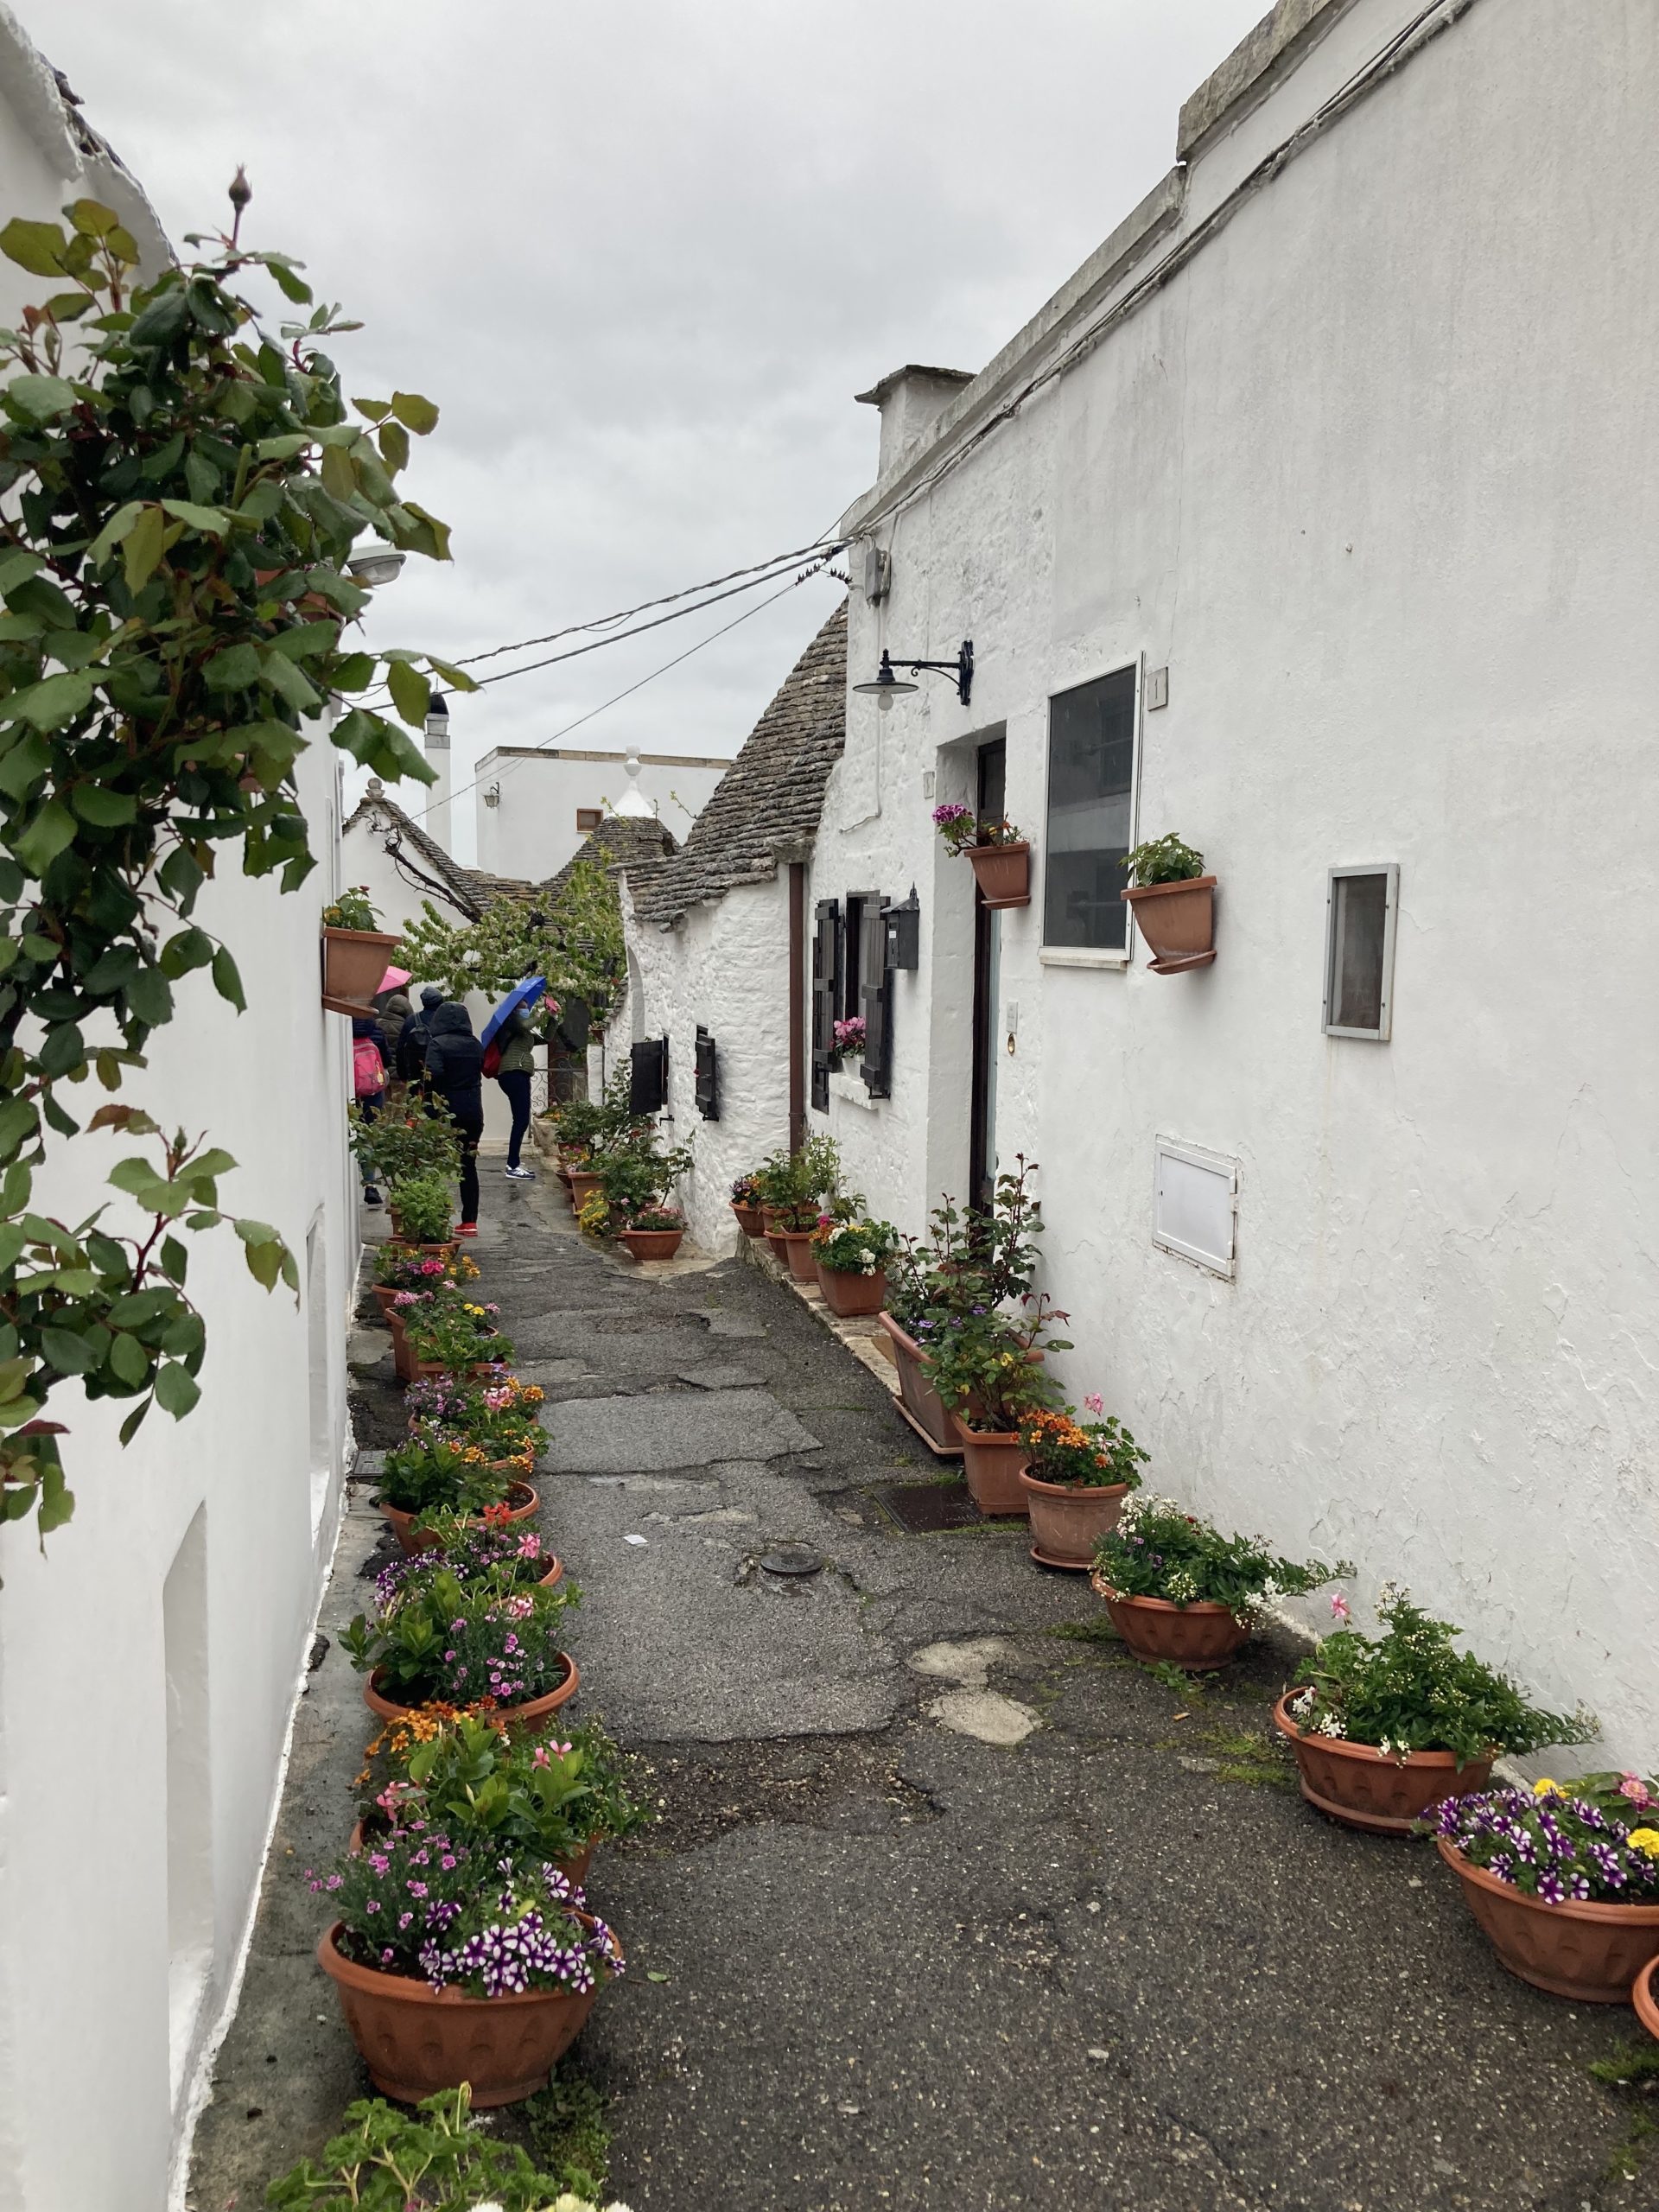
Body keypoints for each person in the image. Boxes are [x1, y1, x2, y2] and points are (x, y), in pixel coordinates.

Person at [423, 1001, 484, 1236]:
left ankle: (435, 1219)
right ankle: (469, 1221)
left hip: (445, 1112)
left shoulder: (437, 1044)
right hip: (473, 1113)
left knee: (435, 1163)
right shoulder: (475, 1045)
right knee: (468, 1165)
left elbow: (433, 1075)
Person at [494, 1005, 537, 1180]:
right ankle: (512, 1165)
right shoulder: (511, 1024)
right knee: (520, 1120)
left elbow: (547, 1038)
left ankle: (514, 1163)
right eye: (522, 1008)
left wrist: (554, 1018)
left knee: (521, 1120)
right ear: (514, 1010)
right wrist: (540, 1014)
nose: (525, 1011)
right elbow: (525, 1025)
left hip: (519, 1073)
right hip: (514, 1072)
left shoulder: (523, 1031)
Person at [351, 1015, 388, 1207]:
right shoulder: (376, 1036)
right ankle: (370, 1185)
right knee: (369, 1138)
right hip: (373, 1095)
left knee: (349, 1137)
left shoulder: (345, 1037)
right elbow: (386, 1062)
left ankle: (347, 1180)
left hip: (351, 1094)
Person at [397, 983, 444, 1088]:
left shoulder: (411, 1020)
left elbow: (401, 1049)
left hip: (415, 1076)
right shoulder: (444, 1021)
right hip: (439, 1076)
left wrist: (403, 1076)